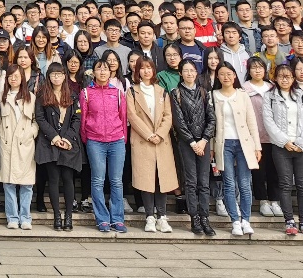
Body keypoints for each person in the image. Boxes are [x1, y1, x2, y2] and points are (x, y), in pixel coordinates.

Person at [261, 63, 303, 236]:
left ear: (293, 78)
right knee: (285, 184)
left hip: (302, 148)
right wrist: (284, 141)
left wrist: (302, 142)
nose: (284, 80)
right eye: (281, 76)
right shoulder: (269, 96)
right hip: (281, 147)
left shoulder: (301, 96)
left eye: (288, 76)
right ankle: (289, 221)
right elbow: (268, 121)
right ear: (275, 78)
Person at [127, 55, 176, 233]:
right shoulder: (132, 91)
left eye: (149, 68)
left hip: (161, 141)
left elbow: (168, 116)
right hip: (143, 140)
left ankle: (162, 216)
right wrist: (148, 135)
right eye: (142, 68)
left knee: (162, 178)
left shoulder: (161, 91)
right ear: (137, 71)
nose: (146, 71)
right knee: (146, 179)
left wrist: (160, 134)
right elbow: (132, 116)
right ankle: (149, 216)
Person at [211, 61, 261, 237]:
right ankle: (235, 221)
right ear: (217, 76)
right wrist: (212, 148)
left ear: (234, 76)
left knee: (245, 183)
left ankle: (246, 220)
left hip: (243, 143)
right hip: (223, 143)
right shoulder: (213, 95)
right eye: (222, 74)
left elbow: (251, 121)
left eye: (229, 74)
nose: (226, 77)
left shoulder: (242, 95)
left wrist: (257, 146)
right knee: (229, 183)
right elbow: (212, 124)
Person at [79, 57, 127, 233]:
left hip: (116, 140)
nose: (102, 72)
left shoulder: (118, 93)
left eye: (105, 69)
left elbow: (123, 117)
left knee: (116, 181)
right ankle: (102, 219)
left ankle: (117, 219)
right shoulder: (86, 93)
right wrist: (88, 138)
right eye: (99, 68)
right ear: (93, 72)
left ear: (110, 72)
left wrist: (122, 138)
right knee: (98, 180)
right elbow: (83, 118)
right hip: (95, 141)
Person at [169, 58, 215, 236]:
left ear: (196, 73)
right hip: (187, 142)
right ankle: (194, 217)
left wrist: (204, 140)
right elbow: (178, 121)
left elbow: (211, 118)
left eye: (192, 70)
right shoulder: (176, 93)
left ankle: (205, 217)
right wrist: (192, 142)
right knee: (191, 181)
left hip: (203, 142)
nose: (189, 73)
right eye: (186, 70)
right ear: (180, 73)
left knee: (204, 182)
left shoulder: (204, 92)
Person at [35, 62, 82, 231]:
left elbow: (77, 119)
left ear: (64, 76)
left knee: (68, 179)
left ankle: (68, 216)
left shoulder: (73, 95)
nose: (56, 77)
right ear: (49, 77)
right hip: (50, 143)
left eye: (59, 74)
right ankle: (57, 215)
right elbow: (40, 118)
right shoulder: (42, 95)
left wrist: (67, 138)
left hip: (69, 143)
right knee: (53, 179)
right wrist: (54, 137)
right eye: (53, 74)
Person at [0, 63, 37, 230]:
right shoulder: (1, 96)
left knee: (27, 184)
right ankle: (12, 217)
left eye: (17, 76)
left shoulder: (31, 97)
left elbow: (36, 120)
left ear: (22, 78)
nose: (13, 79)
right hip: (7, 143)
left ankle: (25, 217)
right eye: (10, 76)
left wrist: (31, 133)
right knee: (9, 183)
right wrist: (1, 134)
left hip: (25, 145)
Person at [242, 55, 279, 217]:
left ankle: (275, 201)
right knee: (258, 171)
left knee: (274, 170)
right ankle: (263, 201)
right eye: (254, 67)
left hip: (273, 137)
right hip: (254, 137)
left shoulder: (272, 88)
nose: (257, 70)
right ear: (249, 70)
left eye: (260, 67)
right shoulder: (244, 89)